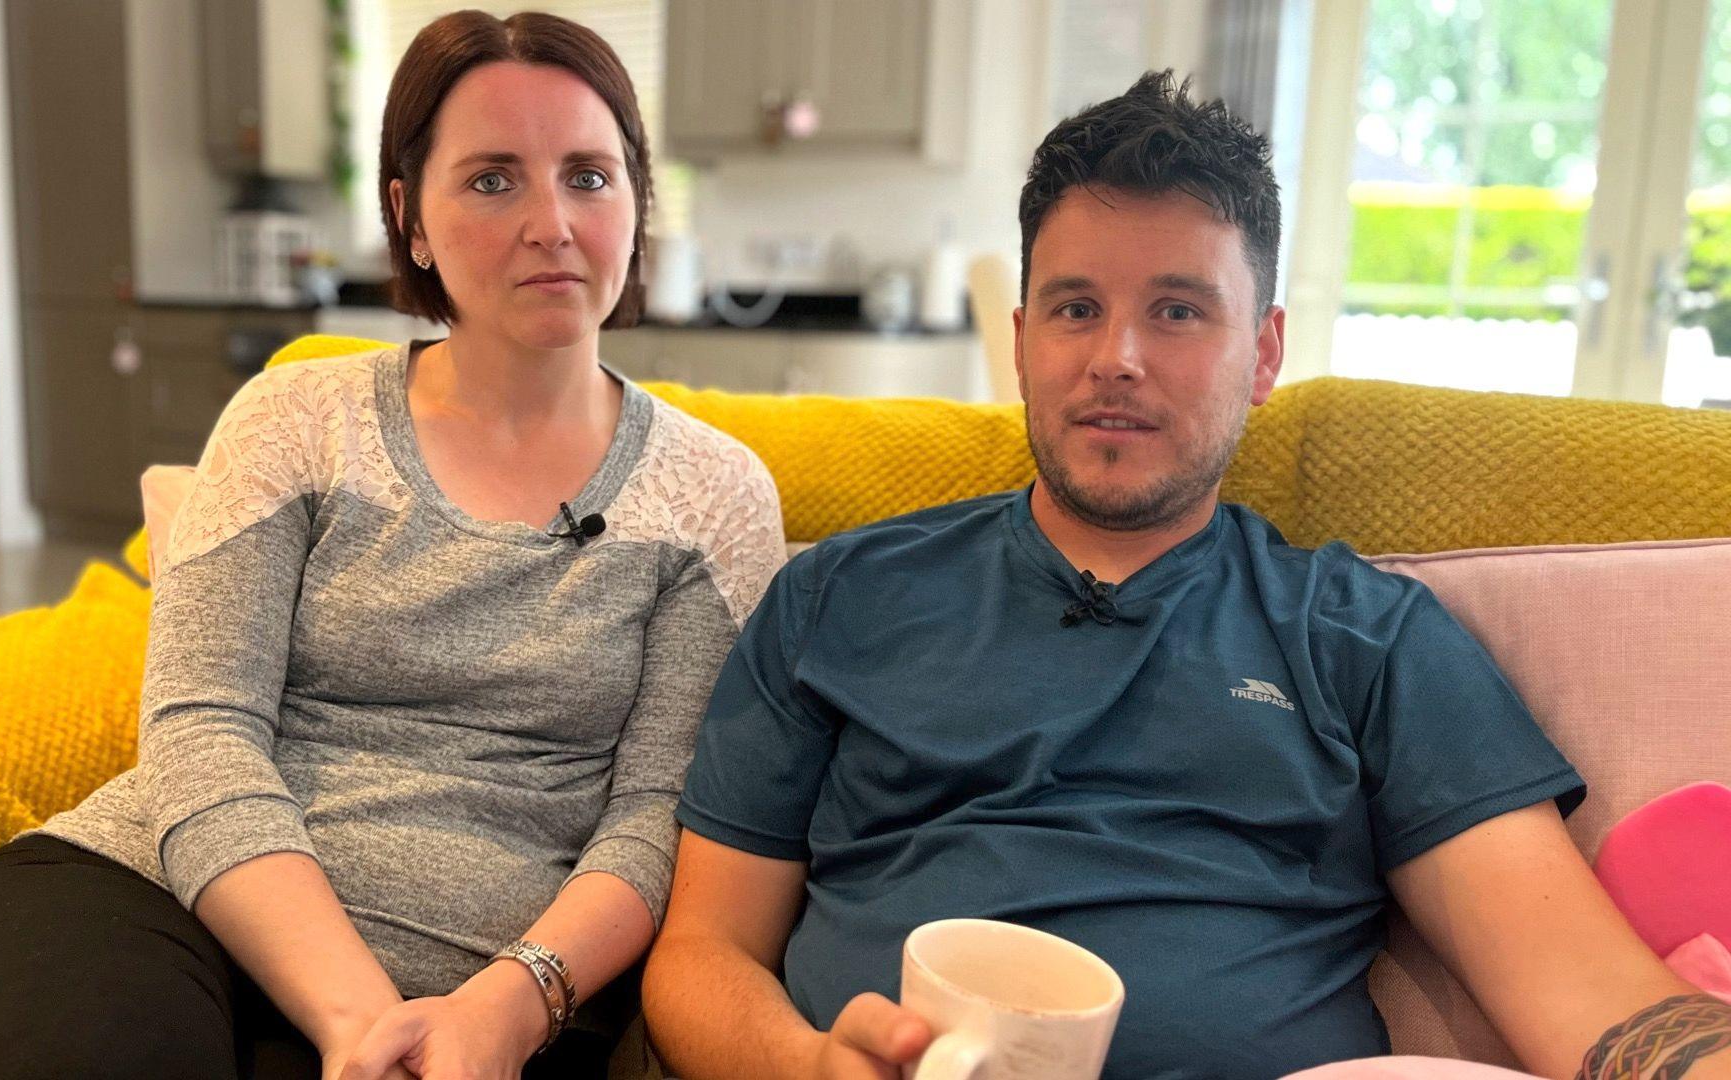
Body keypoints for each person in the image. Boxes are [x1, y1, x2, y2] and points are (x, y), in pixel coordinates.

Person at [641, 71, 1731, 1080]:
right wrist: (808, 1066)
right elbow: (700, 953)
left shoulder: (1364, 635)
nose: (1118, 355)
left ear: (1262, 355)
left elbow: (1596, 1000)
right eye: (1076, 308)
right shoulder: (838, 596)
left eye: (1177, 310)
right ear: (1022, 342)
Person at [0, 11, 783, 1080]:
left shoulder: (713, 495)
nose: (552, 222)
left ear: (636, 204)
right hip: (154, 908)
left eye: (589, 175)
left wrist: (512, 1006)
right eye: (493, 179)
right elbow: (202, 731)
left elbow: (660, 818)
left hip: (500, 999)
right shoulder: (297, 418)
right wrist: (356, 1018)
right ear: (411, 218)